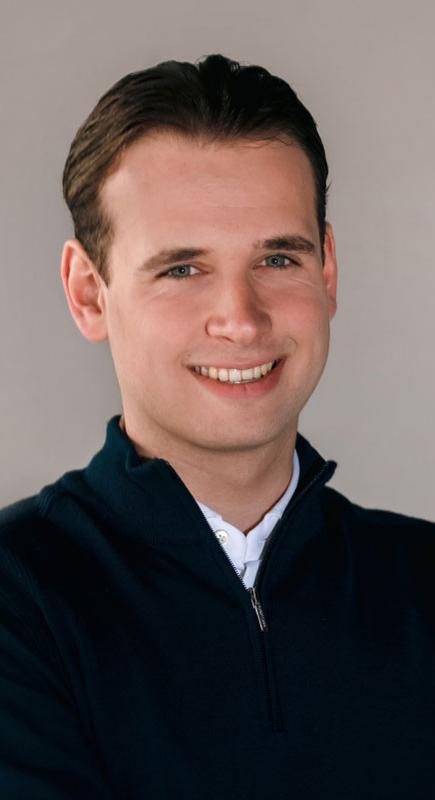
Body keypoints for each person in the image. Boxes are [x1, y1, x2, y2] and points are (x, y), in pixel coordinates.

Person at [0, 53, 434, 800]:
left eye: (277, 258)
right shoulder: (18, 600)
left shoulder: (423, 584)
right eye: (182, 269)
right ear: (89, 293)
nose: (241, 320)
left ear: (327, 271)